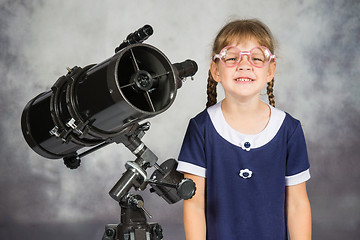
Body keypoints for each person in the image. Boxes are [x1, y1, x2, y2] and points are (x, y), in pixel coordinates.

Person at [176, 19, 312, 240]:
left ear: (271, 71)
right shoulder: (201, 128)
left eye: (256, 58)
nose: (244, 64)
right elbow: (194, 205)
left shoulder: (289, 130)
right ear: (216, 71)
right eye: (232, 58)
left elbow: (297, 205)